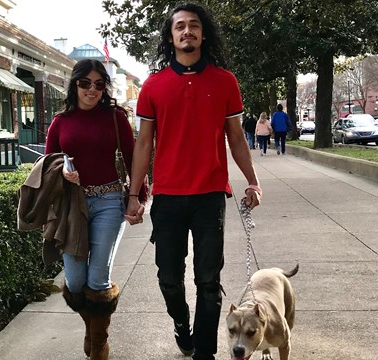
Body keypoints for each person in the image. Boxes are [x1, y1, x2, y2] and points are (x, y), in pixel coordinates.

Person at [124, 4, 261, 360]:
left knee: (208, 282)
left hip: (209, 196)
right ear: (170, 36)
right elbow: (143, 143)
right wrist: (135, 195)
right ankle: (181, 323)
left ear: (203, 34)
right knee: (169, 277)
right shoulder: (154, 86)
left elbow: (236, 137)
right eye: (180, 26)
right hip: (168, 197)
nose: (187, 31)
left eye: (194, 26)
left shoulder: (225, 81)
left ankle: (204, 352)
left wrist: (252, 180)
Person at [45, 58, 146, 360]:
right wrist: (62, 170)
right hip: (72, 206)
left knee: (97, 278)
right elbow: (48, 161)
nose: (92, 90)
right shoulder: (61, 121)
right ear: (74, 84)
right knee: (75, 282)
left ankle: (99, 347)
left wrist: (136, 195)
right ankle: (94, 328)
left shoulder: (115, 117)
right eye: (85, 83)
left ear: (105, 87)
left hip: (108, 202)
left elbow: (132, 157)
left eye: (99, 84)